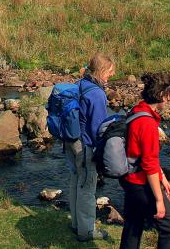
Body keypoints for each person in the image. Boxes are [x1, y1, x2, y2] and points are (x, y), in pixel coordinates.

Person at [120, 72, 170, 249]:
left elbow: (143, 156)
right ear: (162, 95)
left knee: (133, 224)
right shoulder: (147, 123)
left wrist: (163, 177)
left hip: (129, 178)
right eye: (169, 96)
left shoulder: (137, 110)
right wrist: (159, 199)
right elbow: (149, 164)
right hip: (140, 182)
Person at [64, 52, 115, 242]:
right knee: (87, 186)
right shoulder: (97, 94)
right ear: (101, 71)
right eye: (109, 71)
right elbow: (99, 128)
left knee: (76, 180)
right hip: (85, 146)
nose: (111, 75)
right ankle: (86, 231)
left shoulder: (81, 83)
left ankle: (76, 223)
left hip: (71, 141)